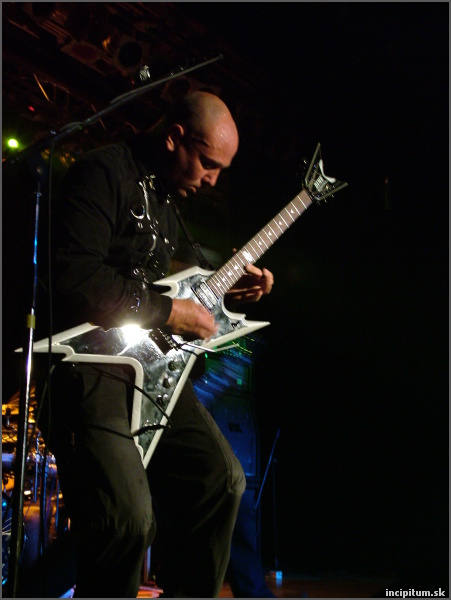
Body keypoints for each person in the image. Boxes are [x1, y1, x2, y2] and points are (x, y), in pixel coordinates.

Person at [34, 91, 274, 598]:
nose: (212, 180)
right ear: (174, 138)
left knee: (220, 480)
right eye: (208, 163)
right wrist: (169, 312)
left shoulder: (164, 199)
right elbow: (74, 276)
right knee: (127, 520)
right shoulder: (102, 173)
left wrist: (227, 291)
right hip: (87, 367)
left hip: (145, 371)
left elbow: (171, 284)